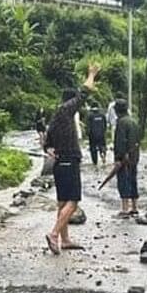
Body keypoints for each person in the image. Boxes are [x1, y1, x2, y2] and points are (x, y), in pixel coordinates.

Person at [44, 63, 100, 254]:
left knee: (62, 203)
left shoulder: (54, 118)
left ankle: (65, 239)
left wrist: (50, 150)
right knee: (73, 201)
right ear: (71, 103)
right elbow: (84, 92)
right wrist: (91, 74)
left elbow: (46, 143)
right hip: (69, 162)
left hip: (60, 164)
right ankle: (54, 234)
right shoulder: (66, 112)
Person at [113, 99, 141, 217]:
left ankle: (125, 208)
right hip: (134, 156)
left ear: (116, 110)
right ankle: (134, 207)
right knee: (133, 180)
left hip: (125, 158)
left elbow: (120, 142)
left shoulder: (121, 122)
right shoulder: (133, 121)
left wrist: (118, 158)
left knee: (123, 181)